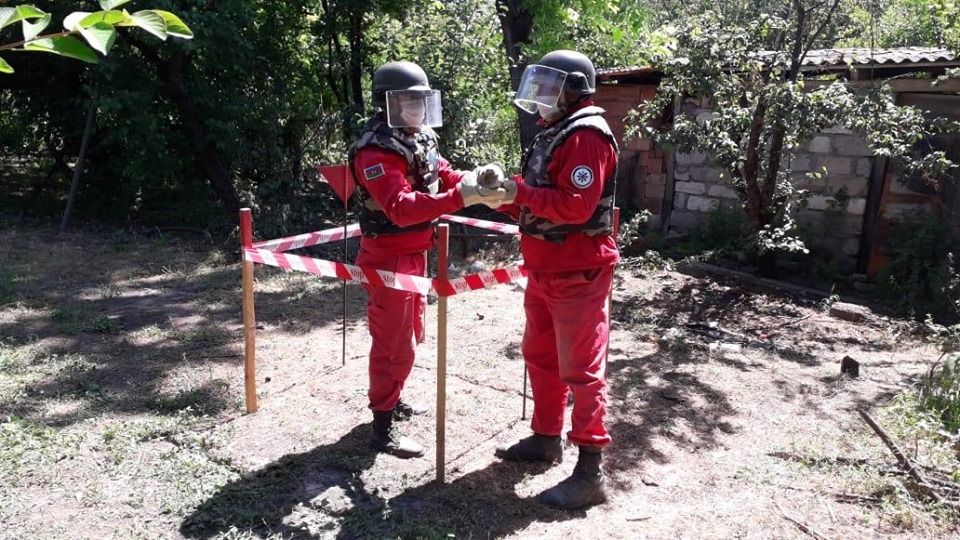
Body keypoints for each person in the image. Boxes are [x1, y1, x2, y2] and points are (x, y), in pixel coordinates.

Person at [347, 60, 505, 459]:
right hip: (388, 256)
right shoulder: (374, 151)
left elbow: (442, 174)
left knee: (411, 333)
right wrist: (460, 197)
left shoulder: (418, 138)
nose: (418, 109)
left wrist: (475, 180)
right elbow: (401, 208)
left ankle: (393, 399)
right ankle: (382, 426)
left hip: (415, 252)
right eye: (409, 101)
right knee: (392, 343)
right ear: (388, 104)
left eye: (421, 101)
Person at [487, 50, 620, 509]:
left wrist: (520, 192)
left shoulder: (586, 135)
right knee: (540, 355)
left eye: (549, 87)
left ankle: (590, 473)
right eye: (537, 86)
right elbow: (538, 198)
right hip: (545, 267)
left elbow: (575, 207)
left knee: (582, 370)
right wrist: (501, 196)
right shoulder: (555, 130)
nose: (540, 96)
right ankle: (546, 438)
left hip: (578, 271)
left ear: (574, 89)